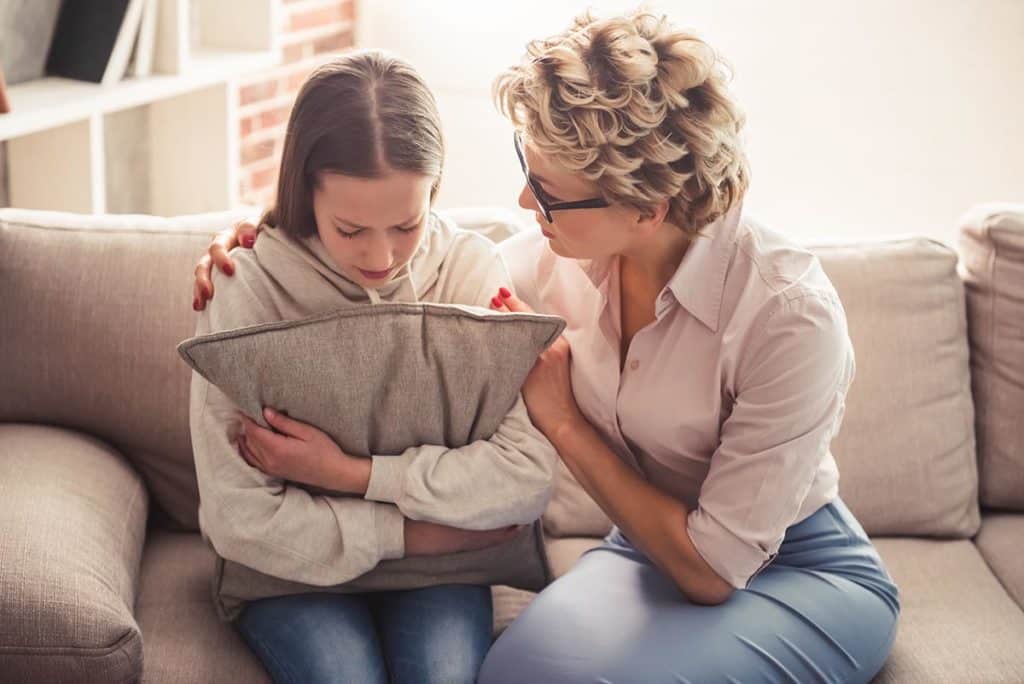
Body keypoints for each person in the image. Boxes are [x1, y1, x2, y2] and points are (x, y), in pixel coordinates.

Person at [194, 10, 900, 683]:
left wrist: (562, 420)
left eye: (547, 192)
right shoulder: (542, 264)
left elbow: (713, 571)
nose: (525, 205)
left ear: (645, 209)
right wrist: (260, 234)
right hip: (645, 546)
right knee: (515, 672)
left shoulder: (787, 317)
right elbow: (414, 249)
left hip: (793, 563)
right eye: (526, 170)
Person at [188, 50, 557, 684]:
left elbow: (525, 480)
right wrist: (422, 534)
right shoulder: (242, 286)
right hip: (293, 578)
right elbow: (238, 518)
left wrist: (354, 475)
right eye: (351, 228)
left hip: (444, 578)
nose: (382, 257)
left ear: (435, 189)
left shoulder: (471, 271)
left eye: (406, 224)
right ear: (304, 189)